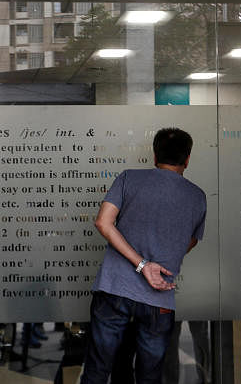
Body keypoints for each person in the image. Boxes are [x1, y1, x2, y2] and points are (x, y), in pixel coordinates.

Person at [80, 128, 207, 384]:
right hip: (159, 298)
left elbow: (103, 223)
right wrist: (159, 257)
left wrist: (141, 264)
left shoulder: (128, 178)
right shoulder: (197, 197)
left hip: (114, 289)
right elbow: (189, 242)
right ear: (188, 159)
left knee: (97, 370)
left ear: (154, 154)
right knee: (149, 377)